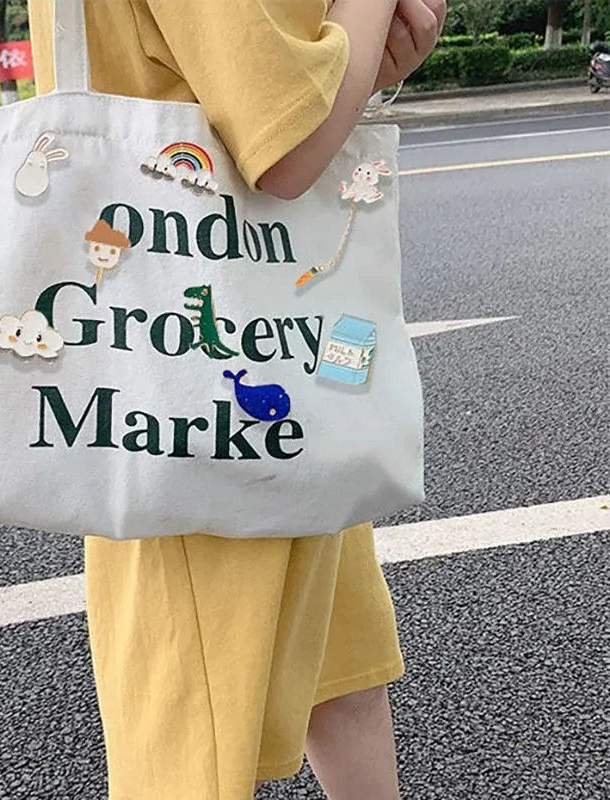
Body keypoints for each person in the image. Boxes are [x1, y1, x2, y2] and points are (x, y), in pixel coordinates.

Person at [28, 1, 445, 798]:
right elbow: (288, 148)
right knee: (188, 754)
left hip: (253, 366)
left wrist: (358, 57)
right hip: (201, 399)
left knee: (340, 679)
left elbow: (262, 87)